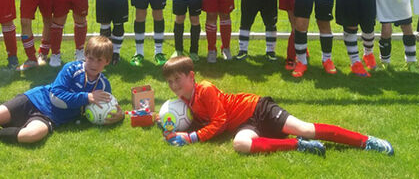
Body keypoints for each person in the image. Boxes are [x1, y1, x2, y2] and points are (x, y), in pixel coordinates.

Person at [159, 56, 394, 156]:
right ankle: (299, 146)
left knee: (305, 128)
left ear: (191, 76)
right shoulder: (183, 101)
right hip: (243, 125)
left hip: (257, 109)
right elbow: (197, 121)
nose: (173, 85)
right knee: (241, 144)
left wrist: (191, 138)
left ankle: (366, 141)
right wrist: (166, 122)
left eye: (177, 79)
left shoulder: (205, 88)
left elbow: (219, 123)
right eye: (169, 82)